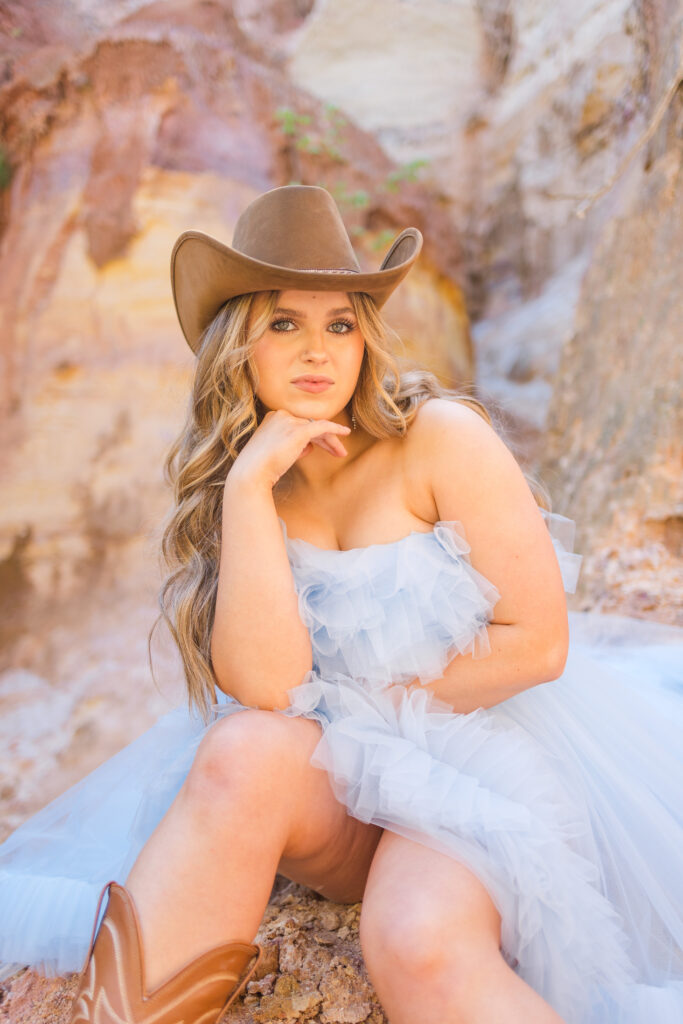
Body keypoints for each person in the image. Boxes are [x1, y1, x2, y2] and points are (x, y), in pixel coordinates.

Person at [0, 185, 681, 1024]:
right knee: (242, 748)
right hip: (343, 786)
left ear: (365, 339)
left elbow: (538, 643)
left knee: (415, 941)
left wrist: (373, 718)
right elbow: (271, 690)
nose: (316, 350)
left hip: (477, 761)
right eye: (283, 323)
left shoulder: (437, 439)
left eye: (340, 323)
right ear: (236, 345)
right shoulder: (250, 485)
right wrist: (249, 485)